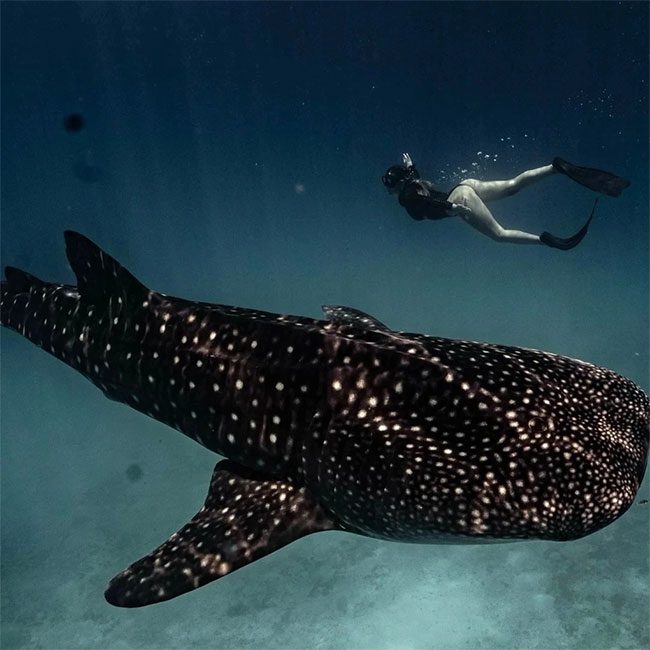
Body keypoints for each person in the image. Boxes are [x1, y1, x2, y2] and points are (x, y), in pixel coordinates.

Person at [382, 153, 630, 249]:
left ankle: (548, 242)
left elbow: (425, 204)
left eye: (390, 188)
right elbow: (415, 183)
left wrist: (451, 209)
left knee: (499, 235)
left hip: (459, 199)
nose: (392, 193)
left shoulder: (407, 196)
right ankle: (555, 168)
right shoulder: (413, 183)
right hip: (465, 186)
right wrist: (411, 166)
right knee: (513, 185)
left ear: (398, 186)